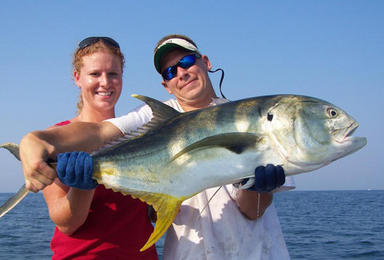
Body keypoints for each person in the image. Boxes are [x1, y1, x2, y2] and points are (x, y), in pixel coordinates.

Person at [19, 34, 294, 259]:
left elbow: (252, 210)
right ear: (165, 84)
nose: (182, 73)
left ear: (206, 62)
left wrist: (259, 189)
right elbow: (100, 131)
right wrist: (35, 140)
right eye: (171, 71)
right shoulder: (145, 120)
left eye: (187, 61)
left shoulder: (254, 120)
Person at [31, 37, 158, 259]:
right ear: (77, 78)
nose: (105, 82)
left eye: (113, 74)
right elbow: (66, 225)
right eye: (95, 74)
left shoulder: (140, 134)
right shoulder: (58, 139)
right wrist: (81, 188)